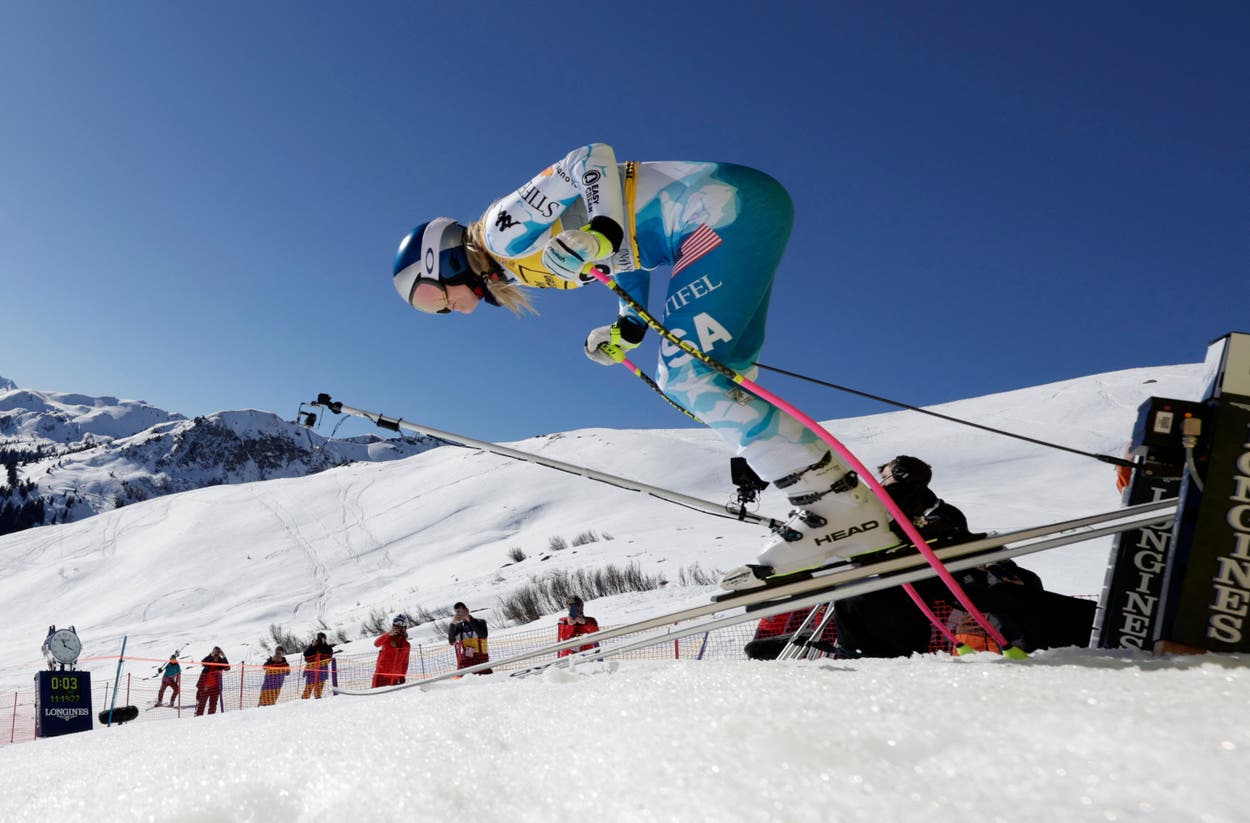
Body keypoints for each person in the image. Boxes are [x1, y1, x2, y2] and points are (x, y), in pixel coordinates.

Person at [392, 143, 900, 591]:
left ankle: (837, 510)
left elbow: (588, 158)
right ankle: (851, 507)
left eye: (431, 296)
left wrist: (600, 231)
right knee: (726, 381)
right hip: (734, 211)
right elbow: (624, 262)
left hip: (718, 212)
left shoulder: (502, 233)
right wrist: (627, 329)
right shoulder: (520, 269)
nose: (445, 309)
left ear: (443, 259)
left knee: (685, 377)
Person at [447, 602, 492, 675]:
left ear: (467, 610)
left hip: (481, 657)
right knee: (464, 677)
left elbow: (483, 635)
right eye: (457, 612)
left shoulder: (480, 622)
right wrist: (452, 623)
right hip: (467, 658)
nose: (459, 614)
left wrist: (469, 619)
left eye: (461, 611)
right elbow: (451, 641)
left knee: (484, 676)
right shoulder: (459, 626)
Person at [372, 614, 412, 688]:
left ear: (404, 627)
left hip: (395, 679)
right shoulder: (387, 638)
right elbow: (376, 644)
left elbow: (405, 663)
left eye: (399, 626)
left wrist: (402, 677)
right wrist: (388, 634)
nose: (397, 628)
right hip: (381, 676)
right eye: (395, 625)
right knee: (377, 695)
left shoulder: (406, 645)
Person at [194, 647, 230, 716]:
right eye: (215, 654)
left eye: (218, 654)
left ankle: (210, 719)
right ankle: (198, 718)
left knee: (213, 705)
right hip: (205, 687)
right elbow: (203, 662)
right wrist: (211, 655)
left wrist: (224, 656)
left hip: (215, 688)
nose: (216, 656)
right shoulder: (209, 660)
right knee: (201, 704)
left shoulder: (220, 661)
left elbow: (227, 668)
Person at [301, 632, 335, 700]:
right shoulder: (314, 646)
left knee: (319, 687)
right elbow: (305, 654)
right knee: (309, 687)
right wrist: (311, 646)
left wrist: (324, 648)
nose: (322, 640)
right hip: (312, 669)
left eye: (324, 638)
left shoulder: (327, 647)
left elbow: (330, 654)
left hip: (322, 669)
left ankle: (318, 700)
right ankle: (304, 700)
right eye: (321, 638)